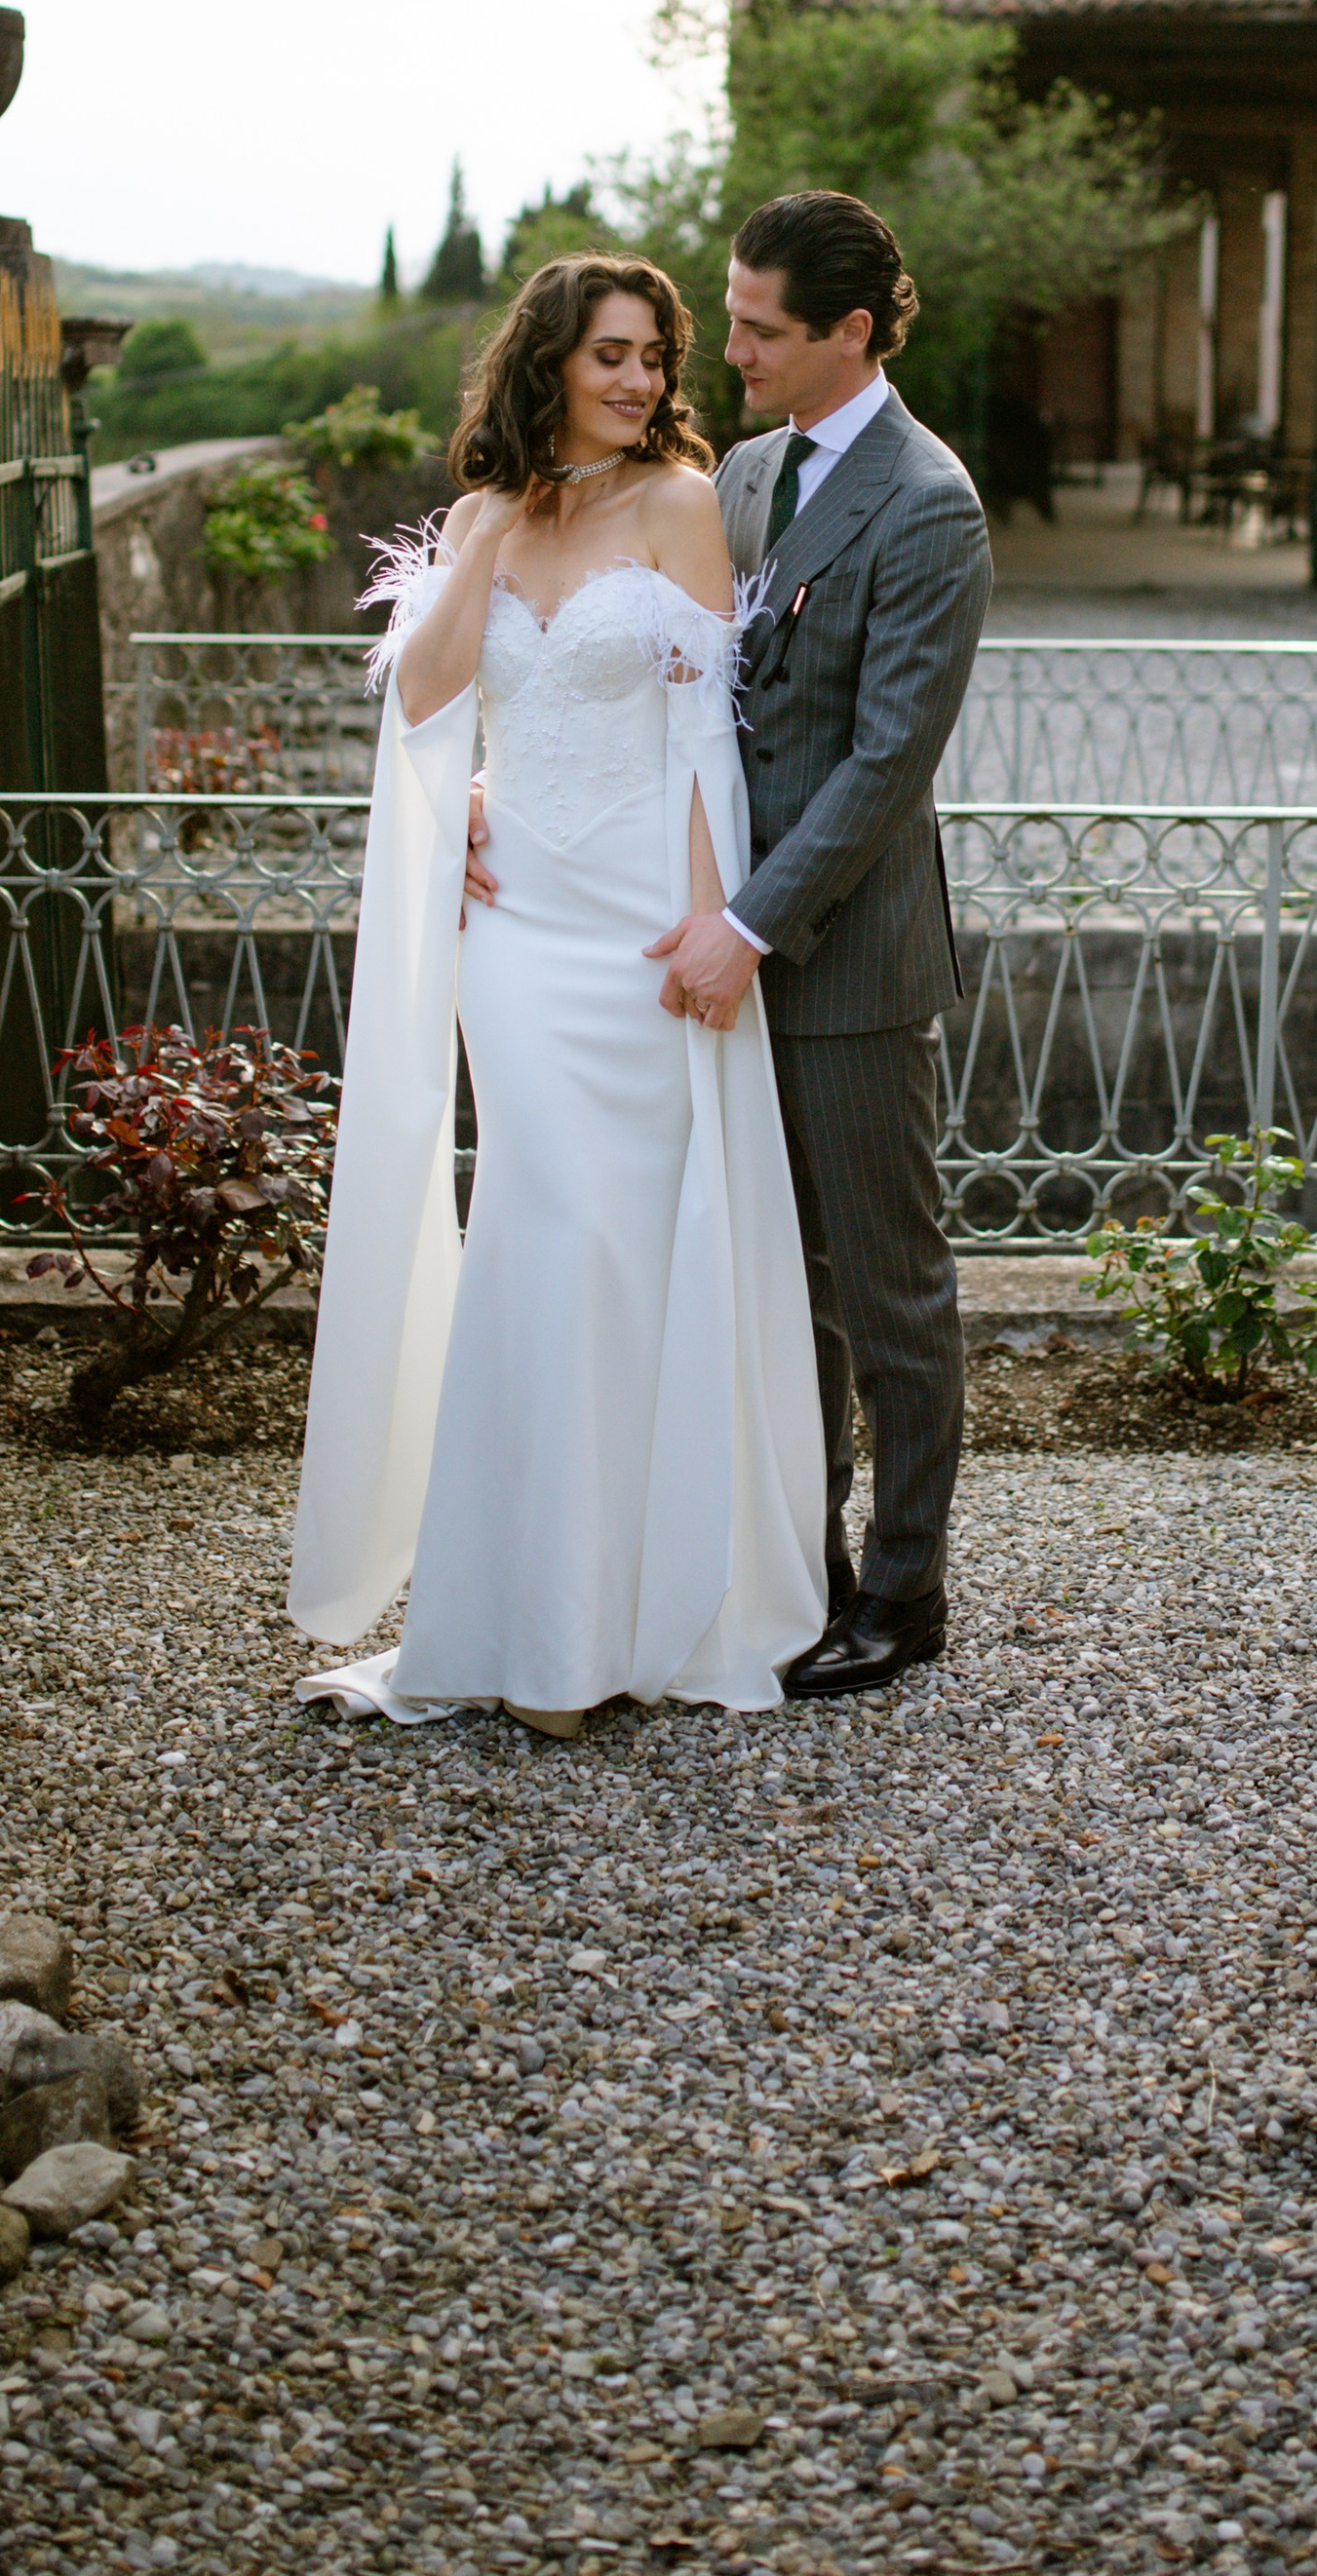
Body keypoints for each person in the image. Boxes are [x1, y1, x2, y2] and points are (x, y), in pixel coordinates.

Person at [285, 255, 828, 1731]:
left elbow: (711, 728)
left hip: (645, 921)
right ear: (548, 364)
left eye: (655, 355)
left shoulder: (684, 503)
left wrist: (719, 921)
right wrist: (490, 520)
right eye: (610, 356)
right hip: (515, 939)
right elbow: (426, 701)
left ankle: (617, 1619)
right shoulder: (482, 519)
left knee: (625, 1246)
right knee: (540, 1229)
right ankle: (522, 1624)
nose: (643, 381)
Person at [475, 188, 994, 1696]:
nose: (732, 349)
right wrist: (491, 793)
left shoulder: (931, 502)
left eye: (761, 329)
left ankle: (905, 1598)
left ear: (851, 332)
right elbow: (649, 684)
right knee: (770, 1287)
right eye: (735, 317)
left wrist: (752, 927)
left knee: (886, 1290)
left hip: (836, 962)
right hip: (689, 949)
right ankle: (789, 1579)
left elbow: (888, 758)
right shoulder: (740, 476)